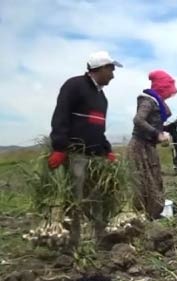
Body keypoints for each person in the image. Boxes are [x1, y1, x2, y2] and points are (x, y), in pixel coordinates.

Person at [48, 50, 123, 249]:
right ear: (100, 69)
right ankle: (70, 244)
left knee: (97, 199)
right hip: (76, 155)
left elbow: (98, 128)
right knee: (75, 200)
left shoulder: (102, 98)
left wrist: (107, 149)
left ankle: (100, 240)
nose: (113, 76)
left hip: (95, 157)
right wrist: (59, 147)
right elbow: (61, 116)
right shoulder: (74, 86)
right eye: (111, 70)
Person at [127, 70, 177, 219]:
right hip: (139, 147)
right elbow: (138, 120)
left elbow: (151, 123)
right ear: (162, 87)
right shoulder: (147, 101)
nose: (170, 94)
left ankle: (152, 215)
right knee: (142, 183)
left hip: (149, 147)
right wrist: (158, 134)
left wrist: (168, 128)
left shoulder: (157, 102)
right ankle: (141, 217)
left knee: (154, 180)